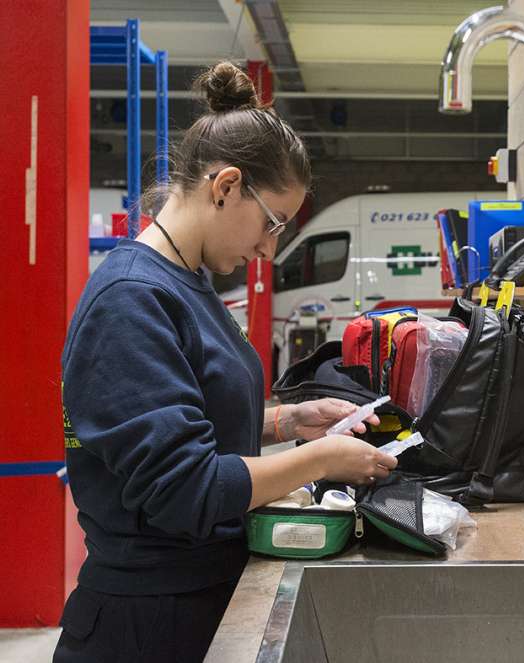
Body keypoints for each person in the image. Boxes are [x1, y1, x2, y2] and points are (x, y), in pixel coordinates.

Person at [54, 62, 397, 662]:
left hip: (198, 600)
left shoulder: (190, 282)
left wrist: (286, 422)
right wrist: (322, 458)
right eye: (272, 223)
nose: (268, 248)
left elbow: (181, 417)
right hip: (146, 625)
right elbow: (184, 489)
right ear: (226, 186)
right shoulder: (131, 299)